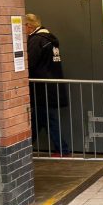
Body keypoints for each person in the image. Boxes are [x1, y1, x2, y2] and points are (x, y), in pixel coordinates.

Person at [25, 13, 70, 156]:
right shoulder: (50, 40)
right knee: (39, 119)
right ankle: (26, 149)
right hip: (50, 86)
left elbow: (29, 63)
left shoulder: (36, 40)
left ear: (29, 26)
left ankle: (63, 149)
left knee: (48, 120)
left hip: (41, 88)